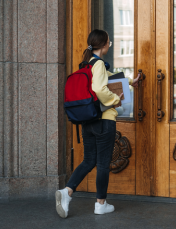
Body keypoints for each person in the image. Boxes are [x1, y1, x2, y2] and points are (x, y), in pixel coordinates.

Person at [55, 29, 140, 218]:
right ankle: (100, 204)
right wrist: (115, 100)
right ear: (103, 45)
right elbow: (101, 89)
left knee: (89, 160)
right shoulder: (99, 64)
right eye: (109, 42)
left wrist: (129, 82)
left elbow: (109, 79)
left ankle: (67, 192)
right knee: (102, 164)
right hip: (104, 121)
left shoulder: (88, 64)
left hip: (88, 121)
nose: (110, 44)